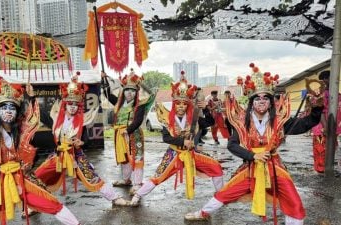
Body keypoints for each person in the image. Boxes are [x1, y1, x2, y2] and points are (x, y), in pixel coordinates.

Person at [184, 63, 324, 225]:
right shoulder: (243, 121)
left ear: (271, 102)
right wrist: (253, 155)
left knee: (293, 200)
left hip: (275, 168)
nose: (262, 101)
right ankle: (202, 213)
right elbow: (232, 145)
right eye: (258, 98)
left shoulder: (278, 120)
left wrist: (317, 109)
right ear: (251, 101)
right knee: (226, 192)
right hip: (251, 168)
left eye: (266, 98)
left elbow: (306, 124)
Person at [0, 78, 81, 225]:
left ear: (17, 112)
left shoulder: (24, 133)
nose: (8, 111)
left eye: (12, 108)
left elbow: (40, 144)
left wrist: (31, 98)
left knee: (52, 204)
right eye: (4, 108)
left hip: (22, 180)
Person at [129, 72, 224, 206]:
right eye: (178, 103)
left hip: (191, 153)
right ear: (174, 104)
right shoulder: (168, 119)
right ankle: (138, 195)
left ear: (187, 105)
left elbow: (210, 122)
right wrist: (182, 141)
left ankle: (221, 195)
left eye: (184, 104)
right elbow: (166, 138)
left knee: (215, 166)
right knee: (158, 177)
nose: (181, 106)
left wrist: (206, 109)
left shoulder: (193, 119)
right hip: (173, 154)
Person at [34, 72, 129, 206]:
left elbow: (87, 139)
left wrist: (82, 142)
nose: (73, 106)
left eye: (76, 104)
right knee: (38, 176)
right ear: (65, 104)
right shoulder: (56, 119)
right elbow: (40, 114)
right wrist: (31, 98)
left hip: (76, 156)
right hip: (58, 156)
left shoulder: (82, 121)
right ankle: (35, 205)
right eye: (70, 103)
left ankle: (114, 198)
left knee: (92, 177)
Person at [101, 69, 154, 195]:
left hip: (133, 134)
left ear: (136, 92)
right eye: (127, 90)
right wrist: (104, 79)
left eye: (132, 90)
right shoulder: (119, 104)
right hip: (120, 135)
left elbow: (138, 120)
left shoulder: (140, 105)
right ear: (123, 91)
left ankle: (137, 183)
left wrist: (128, 130)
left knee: (137, 157)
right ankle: (126, 180)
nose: (129, 93)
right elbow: (107, 93)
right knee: (124, 158)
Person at [311, 70, 341, 173]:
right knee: (321, 152)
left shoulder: (335, 93)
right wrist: (326, 127)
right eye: (332, 79)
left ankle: (328, 172)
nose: (336, 81)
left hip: (333, 128)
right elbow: (320, 112)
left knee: (331, 152)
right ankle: (321, 176)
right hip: (322, 129)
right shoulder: (320, 94)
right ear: (325, 80)